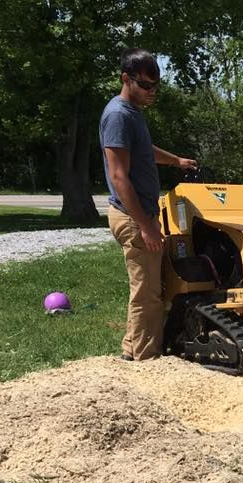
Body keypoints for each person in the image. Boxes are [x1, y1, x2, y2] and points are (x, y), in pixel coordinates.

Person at [99, 49, 197, 361]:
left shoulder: (131, 113)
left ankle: (134, 348)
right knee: (146, 294)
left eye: (156, 86)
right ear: (126, 79)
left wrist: (176, 161)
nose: (152, 92)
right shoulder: (117, 115)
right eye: (145, 85)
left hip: (140, 215)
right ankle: (144, 359)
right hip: (132, 217)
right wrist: (145, 225)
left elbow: (144, 150)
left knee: (153, 287)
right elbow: (118, 176)